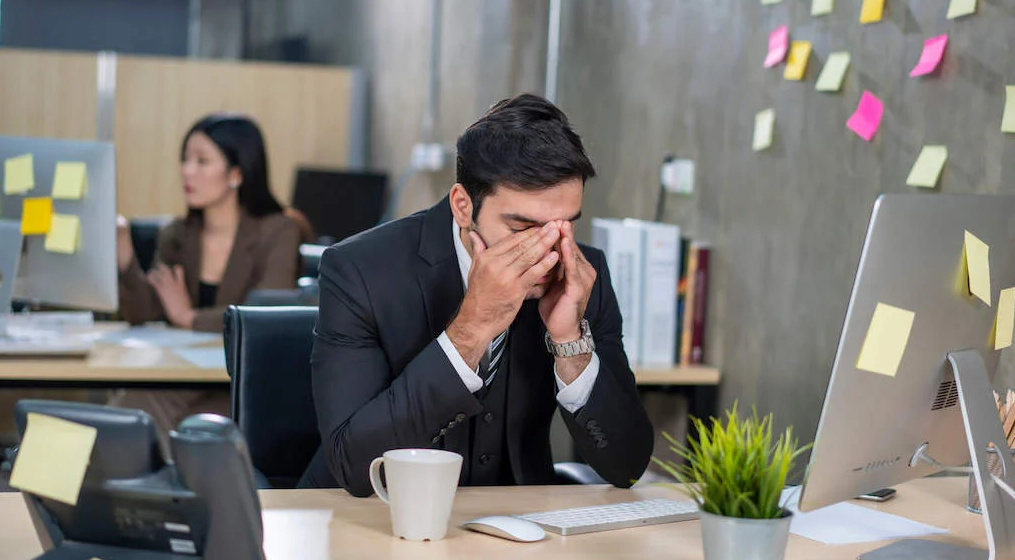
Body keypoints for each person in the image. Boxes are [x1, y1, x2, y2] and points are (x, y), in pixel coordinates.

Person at [300, 94, 653, 495]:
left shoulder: (583, 276)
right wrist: (471, 329)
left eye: (565, 226)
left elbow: (627, 465)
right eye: (522, 228)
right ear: (463, 206)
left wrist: (570, 344)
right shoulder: (360, 270)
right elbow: (353, 464)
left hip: (517, 530)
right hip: (374, 514)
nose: (550, 252)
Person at [114, 113, 301, 433]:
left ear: (236, 173)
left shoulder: (279, 231)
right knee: (132, 411)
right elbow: (144, 313)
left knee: (141, 415)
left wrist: (189, 318)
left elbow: (267, 315)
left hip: (240, 383)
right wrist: (125, 257)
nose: (187, 171)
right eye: (185, 160)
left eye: (202, 161)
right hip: (182, 376)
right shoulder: (177, 234)